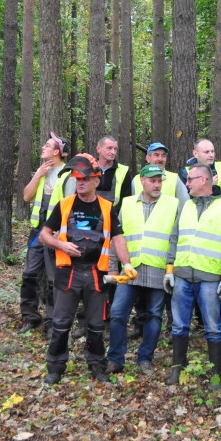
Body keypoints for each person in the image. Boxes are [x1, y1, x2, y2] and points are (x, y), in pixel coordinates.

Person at [39, 154, 132, 385]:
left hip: (95, 273)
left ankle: (97, 366)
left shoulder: (106, 207)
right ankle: (55, 367)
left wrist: (127, 263)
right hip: (68, 272)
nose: (80, 183)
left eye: (85, 179)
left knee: (96, 324)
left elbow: (118, 238)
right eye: (77, 178)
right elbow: (44, 235)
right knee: (60, 323)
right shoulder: (65, 205)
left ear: (96, 182)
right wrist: (61, 244)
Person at [163, 163, 221, 389]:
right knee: (178, 326)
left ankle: (216, 376)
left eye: (190, 179)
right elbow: (174, 238)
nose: (186, 184)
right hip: (182, 277)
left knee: (213, 328)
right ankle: (177, 370)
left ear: (204, 180)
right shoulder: (185, 206)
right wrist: (170, 269)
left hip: (210, 279)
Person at [106, 164, 181, 375]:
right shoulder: (127, 203)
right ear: (142, 181)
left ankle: (145, 358)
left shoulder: (173, 204)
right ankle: (115, 359)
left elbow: (177, 240)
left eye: (159, 181)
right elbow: (116, 238)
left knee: (155, 316)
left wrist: (171, 270)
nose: (157, 185)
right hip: (130, 271)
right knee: (118, 314)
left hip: (159, 271)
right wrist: (113, 267)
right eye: (152, 181)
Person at [19, 133, 70, 335]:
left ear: (57, 151)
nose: (42, 147)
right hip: (37, 231)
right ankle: (30, 317)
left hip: (56, 233)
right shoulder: (41, 171)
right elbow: (26, 196)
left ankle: (52, 322)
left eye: (47, 145)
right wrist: (38, 175)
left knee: (53, 279)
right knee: (30, 274)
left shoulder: (67, 174)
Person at [94, 135, 132, 207]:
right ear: (99, 149)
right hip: (91, 214)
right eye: (109, 148)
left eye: (115, 149)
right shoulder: (89, 168)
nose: (113, 152)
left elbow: (126, 199)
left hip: (114, 214)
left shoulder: (124, 171)